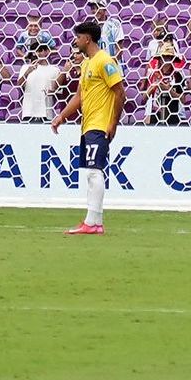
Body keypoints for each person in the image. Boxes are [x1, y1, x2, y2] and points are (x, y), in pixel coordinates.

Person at [66, 18, 125, 235]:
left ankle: (92, 221)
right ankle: (95, 223)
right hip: (88, 125)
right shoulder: (86, 64)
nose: (76, 40)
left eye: (78, 37)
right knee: (92, 171)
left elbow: (120, 92)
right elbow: (79, 97)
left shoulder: (104, 61)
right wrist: (61, 117)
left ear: (87, 39)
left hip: (100, 124)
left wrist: (113, 123)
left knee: (94, 172)